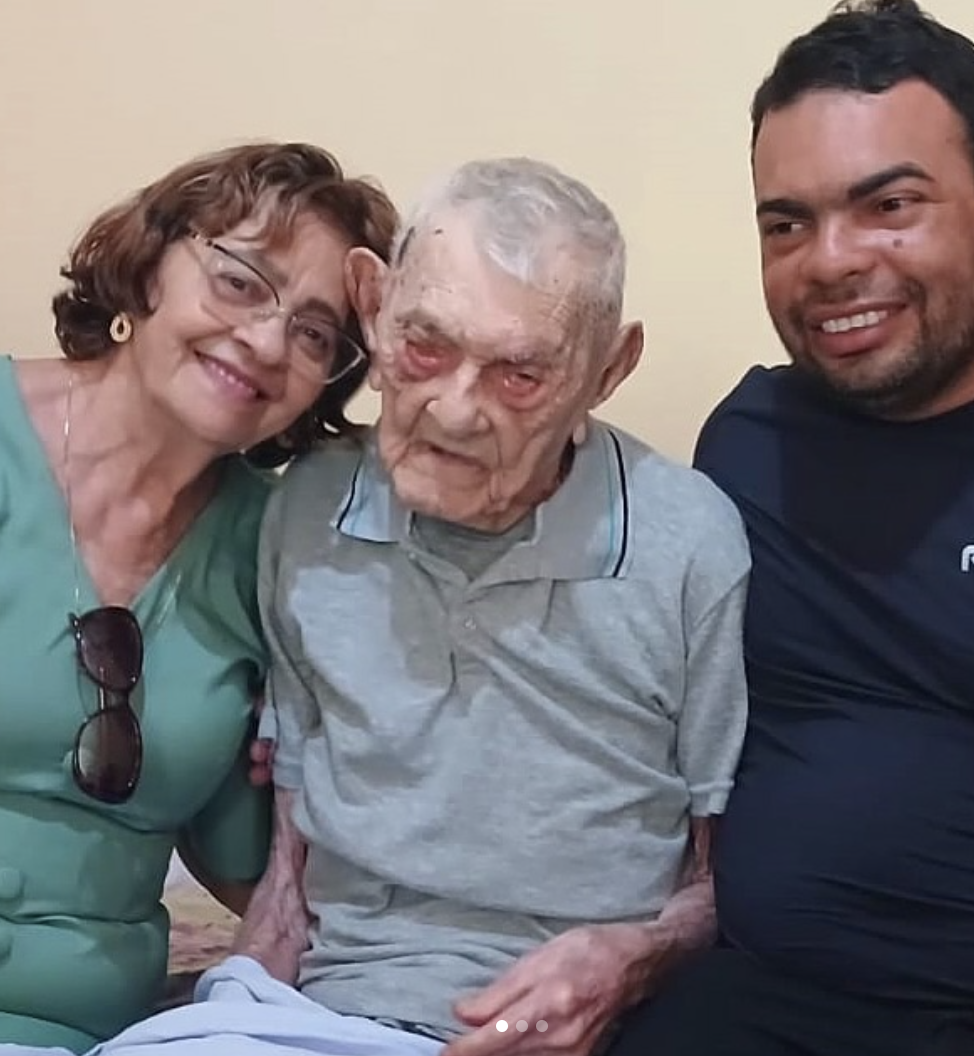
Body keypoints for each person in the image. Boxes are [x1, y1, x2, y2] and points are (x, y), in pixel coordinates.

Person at [8, 157, 752, 1056]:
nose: (456, 410)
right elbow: (289, 875)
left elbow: (737, 870)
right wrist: (233, 996)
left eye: (520, 374)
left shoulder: (687, 544)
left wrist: (630, 961)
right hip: (306, 1015)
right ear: (379, 309)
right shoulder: (307, 514)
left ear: (608, 370)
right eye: (426, 346)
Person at [607, 2, 974, 1054]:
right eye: (786, 224)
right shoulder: (750, 441)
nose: (828, 261)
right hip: (752, 1004)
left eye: (887, 204)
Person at [0, 142, 396, 1052]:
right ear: (149, 266)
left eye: (315, 334)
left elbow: (246, 867)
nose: (267, 342)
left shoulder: (275, 546)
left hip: (87, 1030)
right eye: (241, 283)